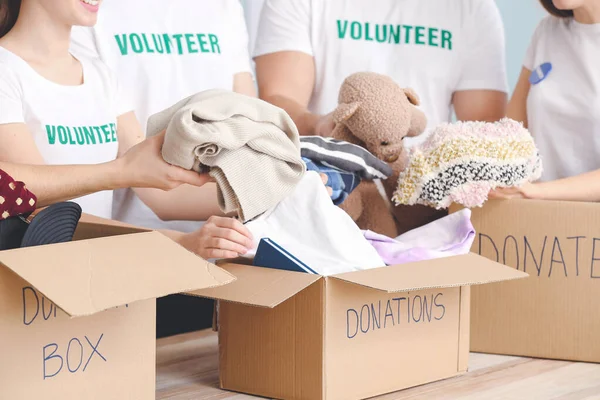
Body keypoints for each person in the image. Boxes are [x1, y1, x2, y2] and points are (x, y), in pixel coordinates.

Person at [0, 0, 255, 260]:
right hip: (42, 282)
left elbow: (159, 191)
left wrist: (259, 194)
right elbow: (45, 216)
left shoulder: (101, 77)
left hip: (101, 278)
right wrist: (180, 242)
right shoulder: (5, 71)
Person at [68, 0, 256, 233]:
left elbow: (250, 127)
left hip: (229, 235)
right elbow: (159, 195)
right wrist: (276, 193)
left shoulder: (224, 6)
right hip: (133, 236)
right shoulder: (85, 9)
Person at [251, 0, 509, 145]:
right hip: (327, 193)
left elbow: (483, 131)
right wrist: (321, 125)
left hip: (426, 210)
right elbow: (276, 102)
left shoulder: (474, 9)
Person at [491, 0, 600, 202]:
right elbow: (511, 133)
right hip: (540, 220)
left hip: (589, 223)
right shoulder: (547, 32)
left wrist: (537, 191)